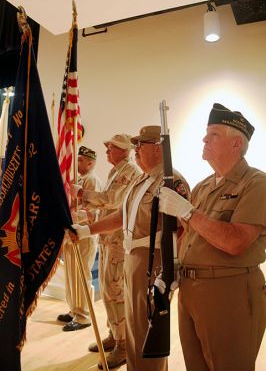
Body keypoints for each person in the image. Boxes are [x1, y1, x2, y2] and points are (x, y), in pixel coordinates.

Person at [71, 125, 190, 371]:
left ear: (158, 148)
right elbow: (123, 215)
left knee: (148, 328)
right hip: (132, 256)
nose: (135, 150)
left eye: (140, 145)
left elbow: (184, 230)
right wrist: (87, 230)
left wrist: (172, 270)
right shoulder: (142, 179)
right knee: (134, 325)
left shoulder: (172, 181)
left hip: (153, 260)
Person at [159, 103, 266, 371]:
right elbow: (190, 236)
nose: (204, 139)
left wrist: (187, 210)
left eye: (214, 134)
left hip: (228, 292)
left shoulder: (256, 184)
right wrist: (172, 268)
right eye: (206, 133)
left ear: (236, 143)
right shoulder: (204, 185)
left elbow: (236, 241)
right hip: (190, 291)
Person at [72, 133, 140, 369]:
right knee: (108, 291)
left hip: (118, 241)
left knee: (115, 291)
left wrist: (82, 194)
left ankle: (123, 345)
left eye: (111, 147)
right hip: (107, 239)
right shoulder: (116, 171)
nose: (107, 151)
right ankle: (114, 334)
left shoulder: (130, 171)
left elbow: (112, 200)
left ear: (124, 150)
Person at [57, 146, 102, 331]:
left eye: (81, 159)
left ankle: (83, 315)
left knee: (81, 274)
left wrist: (77, 215)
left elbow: (94, 212)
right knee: (70, 274)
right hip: (72, 234)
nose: (77, 162)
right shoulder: (78, 180)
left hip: (84, 235)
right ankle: (74, 309)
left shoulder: (91, 181)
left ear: (90, 163)